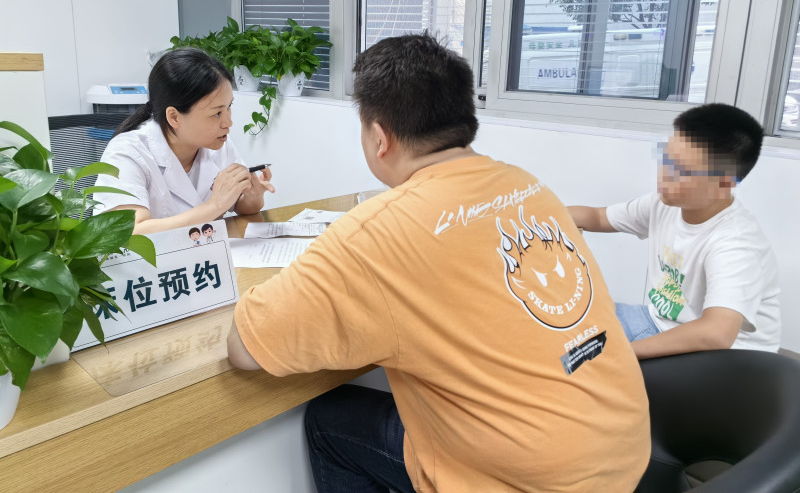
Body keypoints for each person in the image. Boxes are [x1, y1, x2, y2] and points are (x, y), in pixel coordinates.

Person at [227, 33, 650, 493]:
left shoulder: (376, 233)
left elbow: (245, 349)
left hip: (529, 483)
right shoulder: (529, 187)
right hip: (624, 452)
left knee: (330, 422)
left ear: (379, 137)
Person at [569, 103, 781, 360]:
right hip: (659, 322)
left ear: (724, 184)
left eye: (682, 170)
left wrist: (618, 354)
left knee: (582, 363)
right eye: (667, 158)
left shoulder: (736, 244)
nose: (665, 175)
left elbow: (716, 333)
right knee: (566, 331)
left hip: (725, 358)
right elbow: (598, 217)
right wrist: (534, 210)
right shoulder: (664, 203)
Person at [93, 48, 275, 235]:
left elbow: (241, 206)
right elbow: (130, 233)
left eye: (229, 107)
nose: (228, 122)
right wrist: (214, 206)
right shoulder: (127, 153)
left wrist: (253, 195)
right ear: (174, 117)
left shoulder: (218, 144)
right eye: (217, 113)